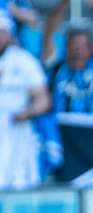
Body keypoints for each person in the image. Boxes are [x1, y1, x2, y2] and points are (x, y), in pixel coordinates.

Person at [43, 1, 93, 113]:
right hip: (59, 128)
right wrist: (64, 4)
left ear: (92, 49)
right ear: (66, 47)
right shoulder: (56, 67)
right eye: (73, 44)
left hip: (91, 126)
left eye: (81, 45)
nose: (77, 49)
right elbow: (48, 33)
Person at [0, 13, 50, 190]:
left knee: (18, 180)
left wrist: (28, 112)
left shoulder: (24, 61)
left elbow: (43, 99)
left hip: (16, 129)